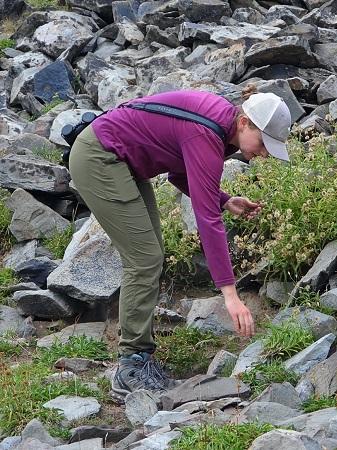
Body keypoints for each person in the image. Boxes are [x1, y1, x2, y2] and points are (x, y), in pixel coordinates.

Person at [68, 87, 292, 400]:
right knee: (144, 258)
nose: (264, 153)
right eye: (264, 143)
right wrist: (230, 293)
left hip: (122, 162)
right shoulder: (207, 132)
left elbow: (178, 174)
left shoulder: (222, 127)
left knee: (150, 255)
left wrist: (224, 200)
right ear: (245, 123)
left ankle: (139, 358)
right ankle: (130, 367)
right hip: (100, 158)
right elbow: (206, 221)